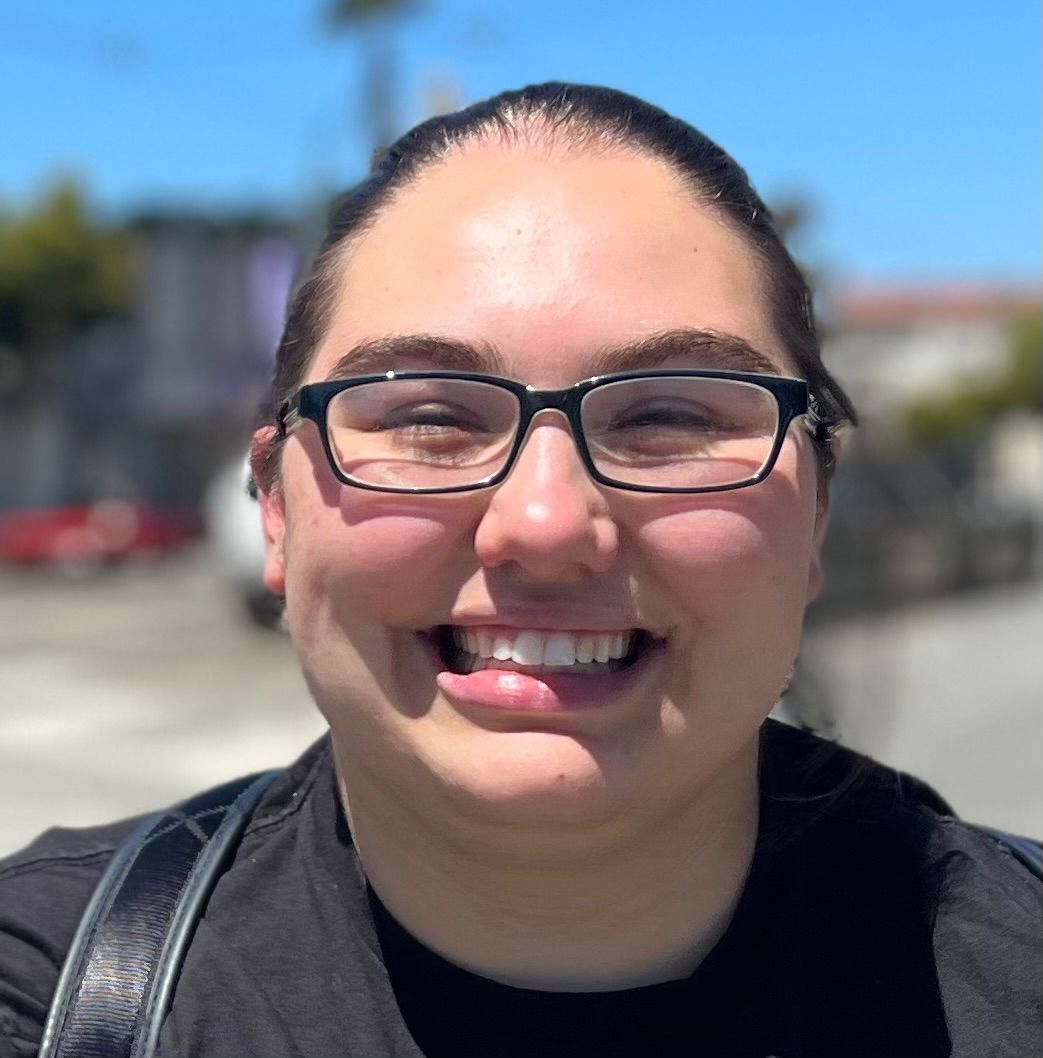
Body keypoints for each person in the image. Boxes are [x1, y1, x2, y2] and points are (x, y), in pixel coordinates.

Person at [0, 83, 1038, 1058]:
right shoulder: (51, 988)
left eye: (668, 416)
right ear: (275, 508)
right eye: (428, 417)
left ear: (815, 511)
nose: (543, 523)